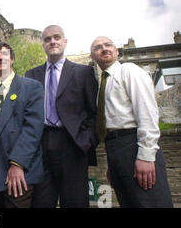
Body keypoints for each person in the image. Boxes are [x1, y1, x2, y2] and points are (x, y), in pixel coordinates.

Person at [90, 36, 173, 208]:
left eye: (108, 45)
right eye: (98, 47)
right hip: (115, 149)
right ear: (92, 56)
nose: (104, 49)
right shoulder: (103, 84)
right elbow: (110, 124)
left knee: (150, 202)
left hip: (134, 144)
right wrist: (111, 165)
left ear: (117, 51)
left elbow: (147, 112)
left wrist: (147, 155)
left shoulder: (128, 70)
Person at [25, 25, 98, 208]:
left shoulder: (83, 73)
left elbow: (94, 112)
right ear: (43, 45)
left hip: (72, 143)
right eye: (48, 39)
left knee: (75, 202)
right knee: (40, 203)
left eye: (56, 37)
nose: (52, 42)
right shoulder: (31, 75)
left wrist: (88, 140)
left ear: (64, 42)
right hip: (41, 145)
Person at [0, 42, 44, 208]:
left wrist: (17, 164)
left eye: (4, 54)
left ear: (12, 59)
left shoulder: (31, 87)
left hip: (16, 174)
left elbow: (33, 130)